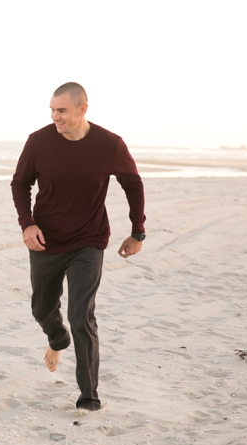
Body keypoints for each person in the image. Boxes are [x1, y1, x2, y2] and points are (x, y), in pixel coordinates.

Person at [10, 82, 145, 411]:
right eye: (52, 110)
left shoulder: (109, 145)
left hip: (89, 240)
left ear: (83, 109)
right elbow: (20, 183)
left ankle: (89, 397)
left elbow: (132, 184)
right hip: (46, 241)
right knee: (42, 309)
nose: (55, 117)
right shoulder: (39, 142)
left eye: (62, 111)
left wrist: (137, 231)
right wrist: (27, 223)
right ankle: (57, 339)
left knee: (81, 315)